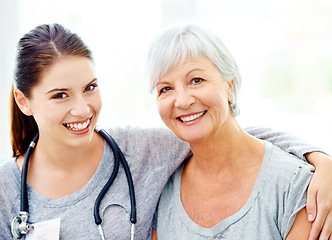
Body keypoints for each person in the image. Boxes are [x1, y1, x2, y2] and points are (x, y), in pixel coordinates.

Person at [0, 23, 330, 240]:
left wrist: (321, 159)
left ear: (230, 86)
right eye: (60, 95)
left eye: (90, 87)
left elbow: (224, 134)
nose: (83, 109)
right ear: (23, 101)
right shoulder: (5, 190)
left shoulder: (140, 152)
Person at [147, 24, 332, 239]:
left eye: (196, 80)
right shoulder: (163, 190)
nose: (182, 101)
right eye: (165, 89)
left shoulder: (297, 186)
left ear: (229, 86)